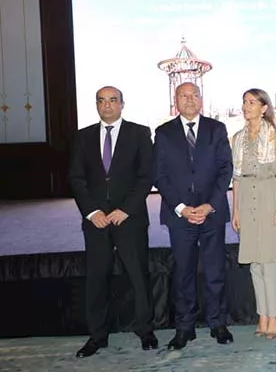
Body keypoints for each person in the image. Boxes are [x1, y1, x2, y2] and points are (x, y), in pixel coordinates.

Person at [69, 86, 157, 357]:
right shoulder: (83, 136)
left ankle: (146, 330)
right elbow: (76, 178)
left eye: (112, 100)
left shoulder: (139, 133)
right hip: (96, 221)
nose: (107, 105)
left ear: (122, 104)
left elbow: (146, 176)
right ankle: (97, 336)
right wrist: (91, 212)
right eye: (101, 101)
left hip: (129, 218)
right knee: (96, 278)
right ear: (96, 105)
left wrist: (125, 209)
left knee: (138, 276)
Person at [154, 82, 234, 349]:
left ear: (201, 99)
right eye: (184, 95)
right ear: (176, 100)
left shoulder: (216, 129)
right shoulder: (163, 133)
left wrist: (210, 205)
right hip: (180, 215)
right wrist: (181, 208)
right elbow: (159, 175)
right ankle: (184, 328)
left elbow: (225, 169)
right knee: (183, 274)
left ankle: (218, 324)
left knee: (215, 271)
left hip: (211, 213)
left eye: (194, 95)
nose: (189, 100)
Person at [231, 88, 276, 339]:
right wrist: (235, 211)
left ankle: (274, 315)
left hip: (268, 199)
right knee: (254, 263)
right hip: (246, 201)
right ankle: (262, 315)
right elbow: (236, 178)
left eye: (252, 102)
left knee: (269, 262)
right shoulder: (237, 138)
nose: (246, 106)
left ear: (264, 108)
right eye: (245, 102)